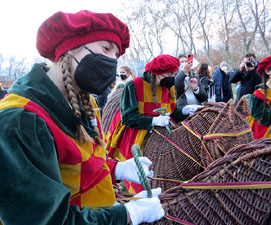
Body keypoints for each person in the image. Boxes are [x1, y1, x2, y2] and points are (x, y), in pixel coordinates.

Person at [0, 10, 165, 225]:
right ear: (70, 48)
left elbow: (75, 163)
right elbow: (46, 220)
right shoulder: (20, 121)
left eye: (116, 56)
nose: (111, 62)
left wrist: (118, 168)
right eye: (105, 48)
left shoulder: (83, 101)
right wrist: (126, 215)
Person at [106, 54, 202, 193]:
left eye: (175, 73)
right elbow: (127, 118)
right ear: (156, 73)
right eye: (169, 74)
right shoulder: (134, 85)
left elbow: (173, 112)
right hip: (137, 130)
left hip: (165, 129)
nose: (173, 77)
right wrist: (152, 120)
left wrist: (184, 111)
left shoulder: (170, 87)